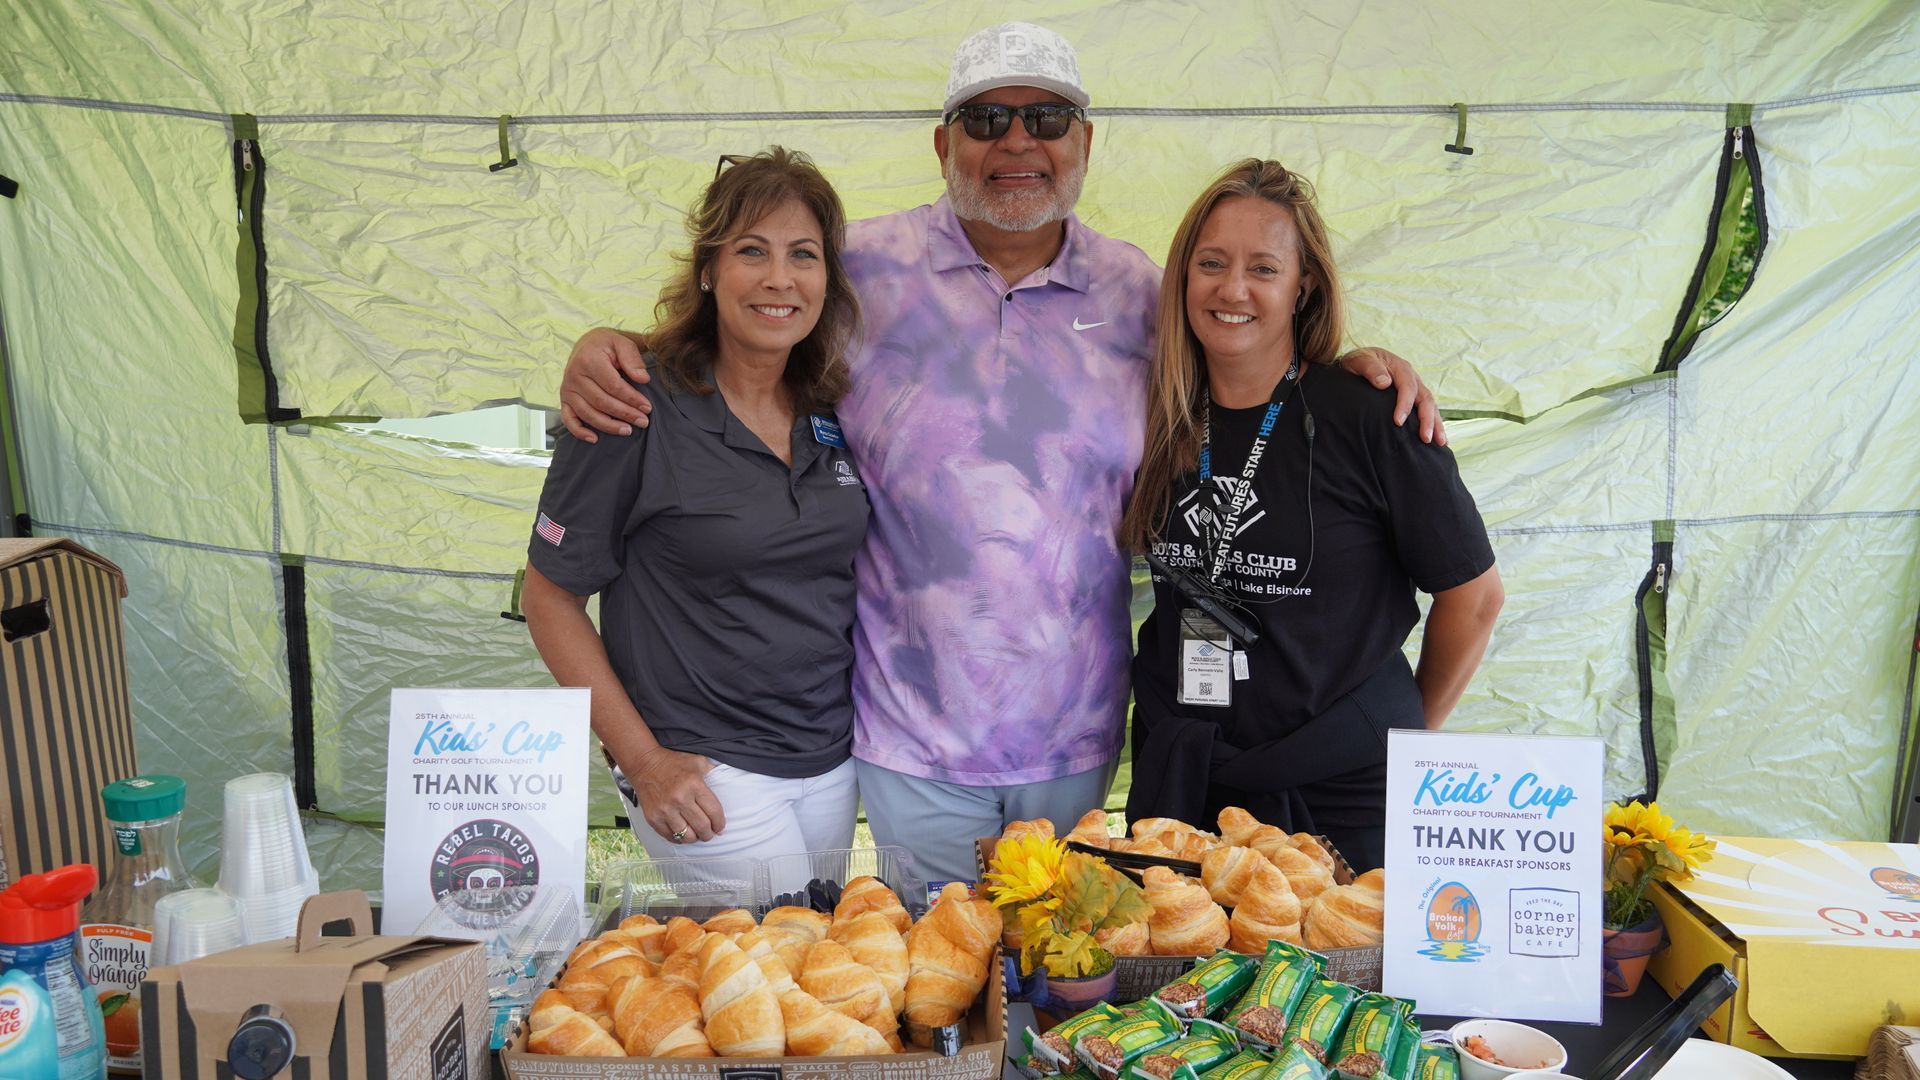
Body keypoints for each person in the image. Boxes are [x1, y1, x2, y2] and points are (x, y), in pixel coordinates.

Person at [555, 24, 1443, 884]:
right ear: (944, 144)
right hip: (907, 735)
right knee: (939, 969)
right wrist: (611, 346)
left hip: (1076, 731)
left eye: (1046, 118)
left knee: (1055, 961)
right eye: (985, 119)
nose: (1017, 141)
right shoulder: (859, 271)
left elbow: (1249, 356)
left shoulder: (1143, 293)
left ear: (1084, 142)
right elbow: (747, 324)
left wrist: (1352, 370)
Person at [1121, 160, 1504, 872]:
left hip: (1340, 797)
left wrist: (1401, 741)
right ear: (1182, 278)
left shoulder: (1372, 418)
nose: (1232, 289)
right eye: (1211, 263)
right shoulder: (1154, 414)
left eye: (1264, 268)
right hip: (1192, 784)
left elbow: (1475, 598)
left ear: (1304, 287)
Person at [521, 148, 869, 868]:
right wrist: (645, 762)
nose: (780, 278)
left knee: (829, 939)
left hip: (829, 761)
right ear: (708, 270)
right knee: (781, 942)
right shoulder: (629, 402)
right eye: (752, 251)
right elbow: (549, 598)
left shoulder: (831, 404)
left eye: (803, 255)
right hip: (704, 771)